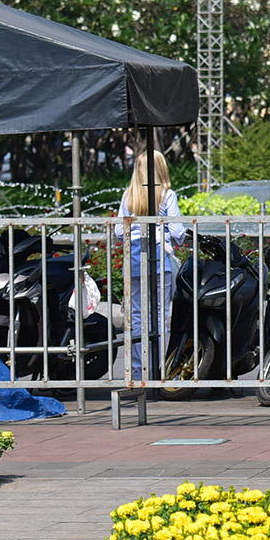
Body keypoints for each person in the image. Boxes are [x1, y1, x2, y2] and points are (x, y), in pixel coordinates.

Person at [117, 149, 186, 382]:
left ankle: (137, 372)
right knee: (160, 318)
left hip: (134, 263)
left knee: (136, 317)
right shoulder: (167, 195)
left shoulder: (129, 195)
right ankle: (158, 370)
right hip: (158, 262)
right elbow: (178, 232)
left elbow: (119, 231)